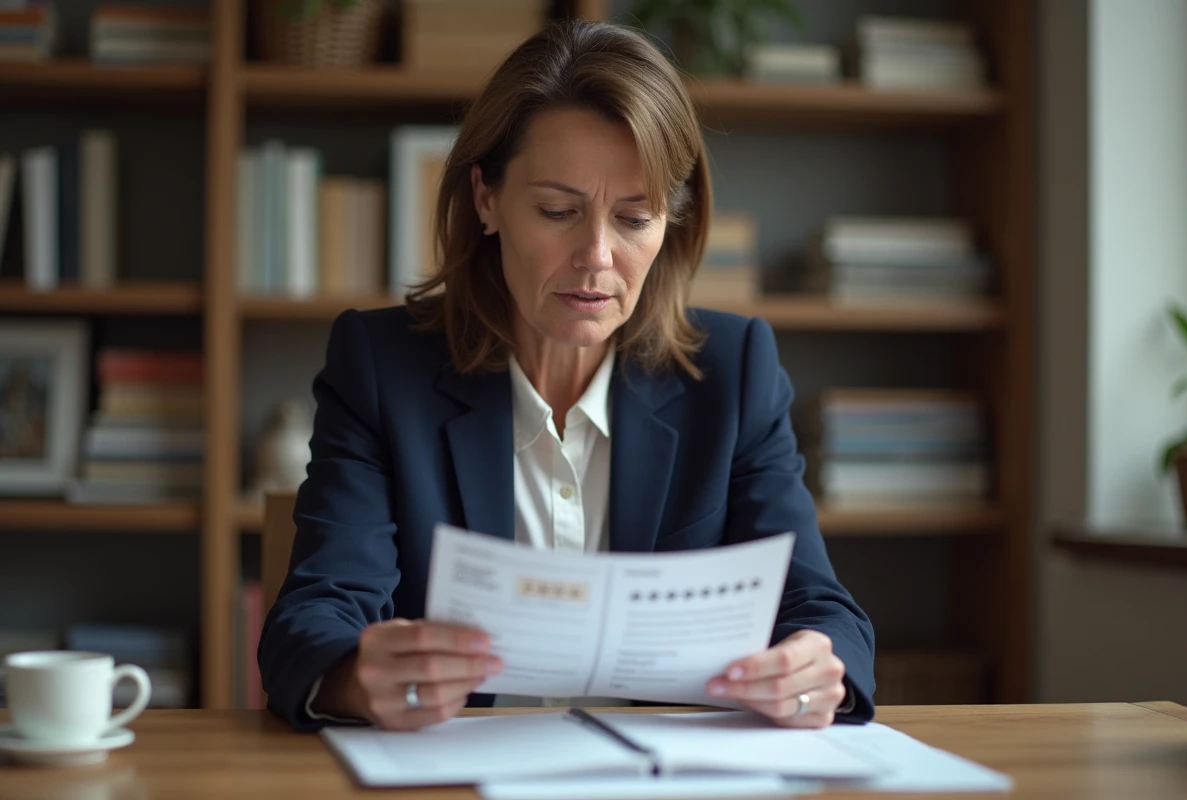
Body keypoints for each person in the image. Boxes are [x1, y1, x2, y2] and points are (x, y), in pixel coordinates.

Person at [259, 19, 875, 733]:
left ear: (671, 221)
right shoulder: (381, 367)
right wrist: (356, 677)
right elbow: (311, 619)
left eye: (635, 218)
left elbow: (823, 612)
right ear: (486, 199)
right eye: (559, 211)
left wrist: (810, 666)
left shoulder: (733, 372)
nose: (597, 257)